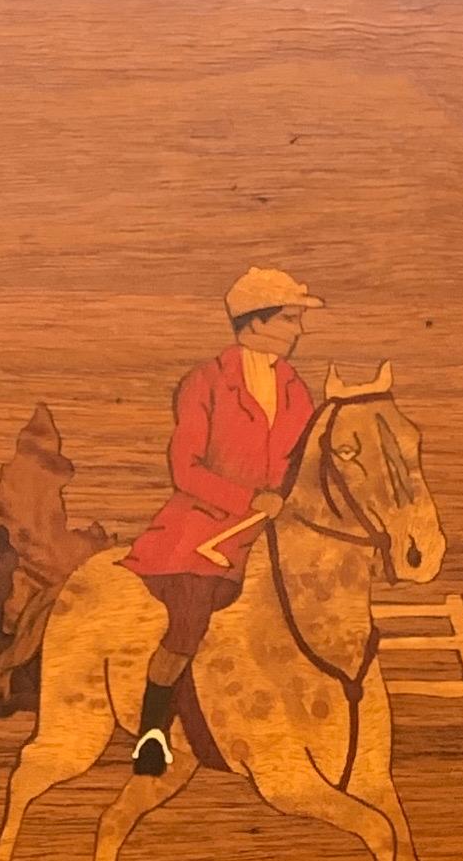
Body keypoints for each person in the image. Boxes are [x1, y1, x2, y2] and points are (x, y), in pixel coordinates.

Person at [120, 265, 323, 773]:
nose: (299, 331)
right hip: (201, 533)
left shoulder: (297, 389)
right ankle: (152, 734)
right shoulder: (206, 382)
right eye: (290, 319)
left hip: (274, 532)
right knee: (188, 624)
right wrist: (249, 499)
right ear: (254, 324)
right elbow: (184, 469)